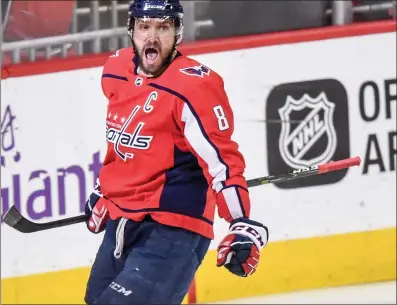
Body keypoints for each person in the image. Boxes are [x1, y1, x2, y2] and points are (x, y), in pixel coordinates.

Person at [83, 0, 269, 304]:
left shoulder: (195, 87)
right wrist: (105, 190)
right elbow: (125, 141)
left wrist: (241, 223)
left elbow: (222, 162)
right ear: (131, 30)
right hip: (124, 220)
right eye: (144, 27)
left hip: (173, 227)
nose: (152, 37)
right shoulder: (115, 70)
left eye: (163, 27)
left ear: (178, 33)